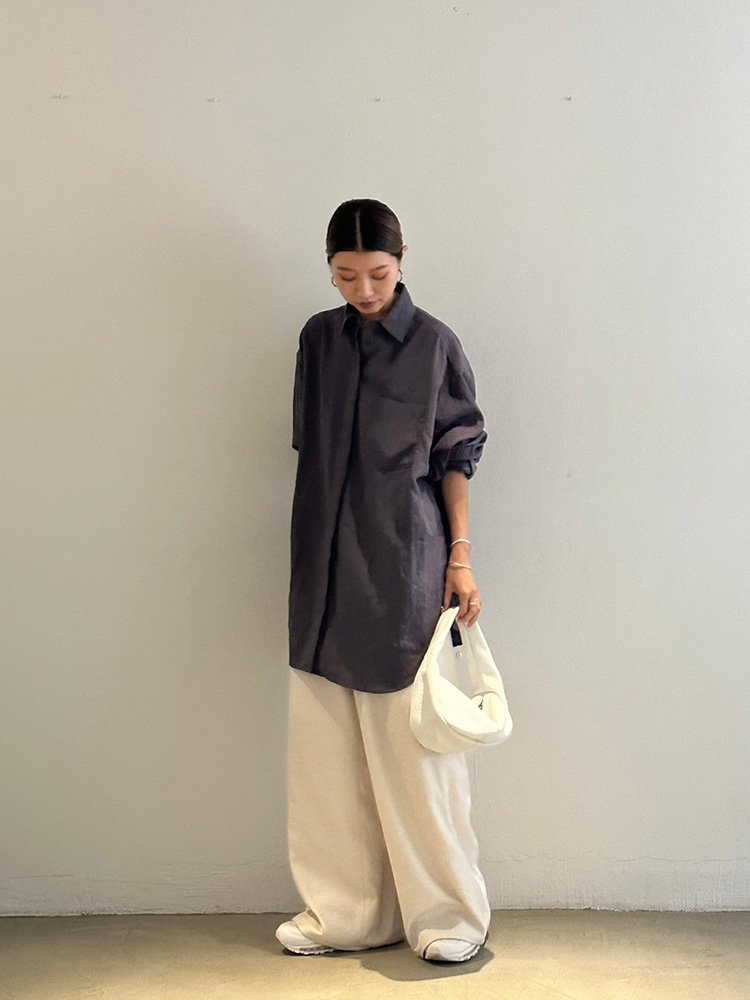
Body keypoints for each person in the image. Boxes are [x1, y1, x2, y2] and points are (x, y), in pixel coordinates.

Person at [276, 198, 490, 963]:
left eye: (377, 274)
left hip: (403, 560)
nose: (363, 290)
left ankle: (447, 916)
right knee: (328, 758)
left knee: (415, 751)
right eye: (346, 275)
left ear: (402, 262)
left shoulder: (434, 345)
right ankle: (348, 915)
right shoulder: (317, 340)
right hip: (322, 566)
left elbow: (456, 457)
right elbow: (310, 449)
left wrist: (460, 556)